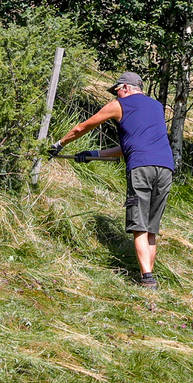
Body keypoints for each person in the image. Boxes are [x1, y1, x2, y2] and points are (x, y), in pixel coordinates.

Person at [49, 72, 174, 289]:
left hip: (141, 169)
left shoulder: (119, 105)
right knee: (152, 228)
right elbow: (128, 149)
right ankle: (149, 276)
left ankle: (147, 279)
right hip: (166, 168)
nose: (115, 94)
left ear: (125, 87)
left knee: (139, 226)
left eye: (116, 90)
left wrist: (58, 144)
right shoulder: (156, 107)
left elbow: (83, 127)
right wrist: (93, 154)